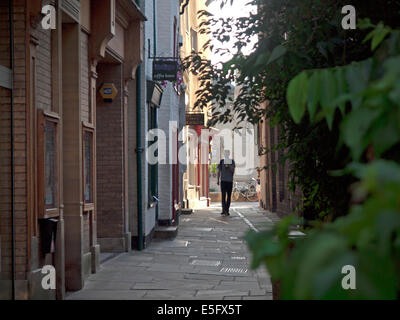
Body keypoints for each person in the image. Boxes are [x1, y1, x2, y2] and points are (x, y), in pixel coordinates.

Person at [217, 150, 235, 216]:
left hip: (229, 181)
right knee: (223, 196)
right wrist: (217, 180)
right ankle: (223, 210)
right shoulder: (221, 161)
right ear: (224, 154)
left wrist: (229, 166)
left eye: (227, 153)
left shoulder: (232, 161)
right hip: (223, 181)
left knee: (229, 196)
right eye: (225, 154)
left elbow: (233, 171)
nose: (226, 155)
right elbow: (219, 171)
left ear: (229, 154)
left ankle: (227, 210)